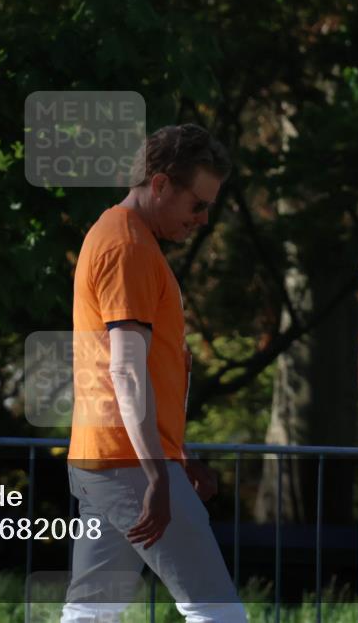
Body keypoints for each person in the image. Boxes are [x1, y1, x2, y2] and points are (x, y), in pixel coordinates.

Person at [60, 124, 249, 623]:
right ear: (161, 185)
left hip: (109, 457)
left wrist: (175, 456)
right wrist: (156, 473)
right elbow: (125, 369)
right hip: (130, 464)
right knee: (218, 613)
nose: (203, 219)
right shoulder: (129, 248)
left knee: (91, 614)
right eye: (198, 205)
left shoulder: (119, 235)